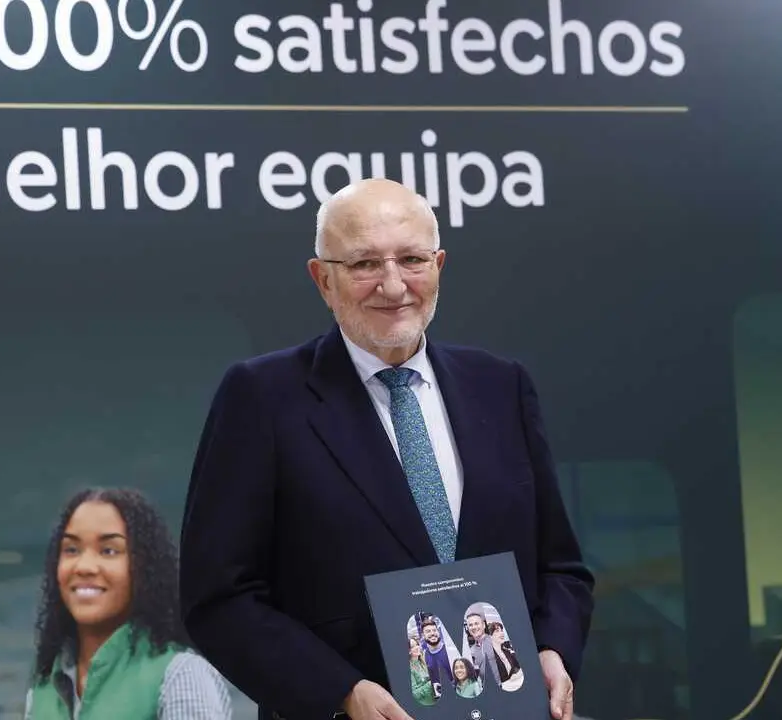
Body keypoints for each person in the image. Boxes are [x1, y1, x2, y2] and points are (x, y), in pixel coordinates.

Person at [179, 178, 595, 720]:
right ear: (323, 279)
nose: (393, 285)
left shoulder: (501, 386)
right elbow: (218, 598)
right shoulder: (262, 397)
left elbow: (560, 567)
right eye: (364, 264)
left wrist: (553, 648)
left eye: (412, 259)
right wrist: (340, 692)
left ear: (439, 265)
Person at [25, 487, 232, 719]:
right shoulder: (42, 689)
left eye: (109, 551)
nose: (84, 566)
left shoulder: (180, 674)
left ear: (144, 569)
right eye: (71, 549)